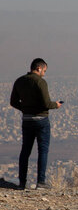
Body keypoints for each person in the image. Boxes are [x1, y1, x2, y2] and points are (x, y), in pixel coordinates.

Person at [9, 58, 62, 189]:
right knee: (42, 150)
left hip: (26, 120)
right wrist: (56, 105)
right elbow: (46, 103)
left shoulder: (19, 81)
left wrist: (25, 108)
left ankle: (22, 182)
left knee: (25, 150)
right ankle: (41, 182)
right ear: (38, 68)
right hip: (41, 120)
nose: (44, 73)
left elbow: (13, 102)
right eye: (44, 70)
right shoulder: (40, 82)